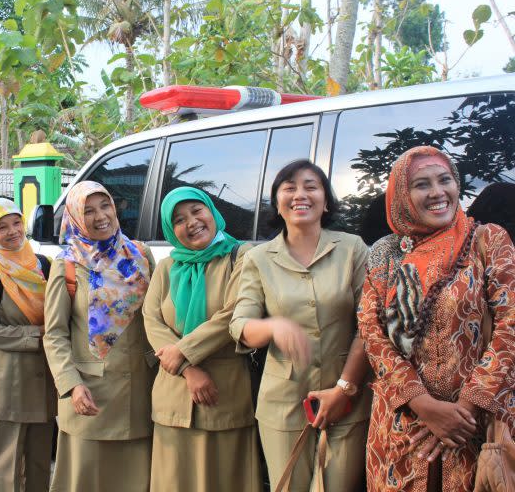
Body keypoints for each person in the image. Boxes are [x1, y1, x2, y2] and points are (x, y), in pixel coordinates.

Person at [359, 146, 515, 492]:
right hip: (403, 423)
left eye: (445, 180)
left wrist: (465, 408)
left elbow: (510, 323)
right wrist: (422, 404)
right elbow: (371, 331)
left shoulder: (488, 240)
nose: (437, 193)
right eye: (421, 184)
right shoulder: (386, 253)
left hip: (475, 426)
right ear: (402, 195)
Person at [230, 159, 372, 491]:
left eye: (311, 186)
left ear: (326, 200)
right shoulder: (258, 257)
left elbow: (370, 325)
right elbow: (241, 324)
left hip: (346, 397)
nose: (300, 195)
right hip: (284, 402)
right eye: (289, 187)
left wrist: (345, 388)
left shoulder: (352, 249)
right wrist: (274, 327)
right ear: (277, 202)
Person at [142, 187, 261, 492]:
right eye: (179, 219)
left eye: (197, 211)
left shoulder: (241, 256)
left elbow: (233, 314)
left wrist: (181, 352)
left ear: (212, 211)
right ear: (172, 229)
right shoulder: (168, 267)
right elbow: (151, 320)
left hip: (223, 394)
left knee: (225, 480)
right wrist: (187, 368)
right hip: (173, 395)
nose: (191, 222)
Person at [43, 181, 156, 492]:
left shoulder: (140, 253)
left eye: (105, 206)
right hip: (90, 393)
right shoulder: (67, 263)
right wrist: (71, 385)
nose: (100, 216)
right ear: (76, 217)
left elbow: (157, 315)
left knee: (135, 481)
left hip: (138, 391)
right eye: (88, 211)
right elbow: (54, 334)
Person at [0, 198, 57, 492]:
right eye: (2, 227)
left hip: (43, 380)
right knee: (6, 465)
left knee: (40, 462)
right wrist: (38, 335)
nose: (12, 231)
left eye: (16, 223)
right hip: (7, 383)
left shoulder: (43, 265)